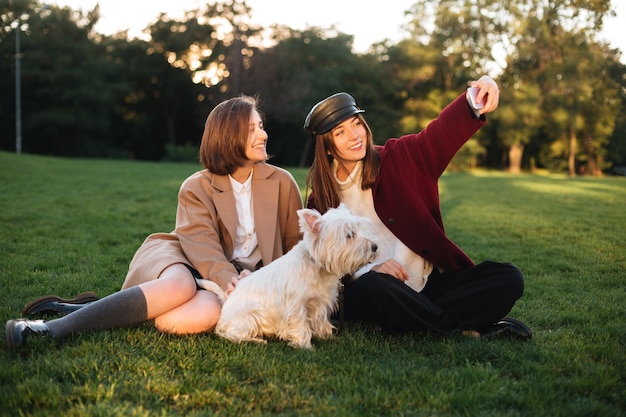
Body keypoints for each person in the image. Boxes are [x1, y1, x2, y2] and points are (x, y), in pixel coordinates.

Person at [6, 95, 303, 350]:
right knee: (178, 287)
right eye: (251, 128)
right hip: (185, 256)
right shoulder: (195, 186)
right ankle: (51, 329)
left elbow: (294, 247)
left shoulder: (282, 182)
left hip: (238, 278)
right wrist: (228, 280)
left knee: (186, 320)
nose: (262, 134)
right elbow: (202, 246)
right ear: (227, 135)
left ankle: (89, 308)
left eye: (261, 126)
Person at [303, 76, 532, 339]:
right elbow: (326, 265)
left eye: (357, 124)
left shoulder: (400, 157)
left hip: (426, 284)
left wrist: (474, 98)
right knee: (373, 286)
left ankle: (421, 322)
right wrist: (367, 269)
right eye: (340, 132)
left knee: (508, 278)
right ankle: (462, 329)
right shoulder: (321, 201)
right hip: (377, 291)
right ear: (328, 148)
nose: (355, 136)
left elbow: (437, 137)